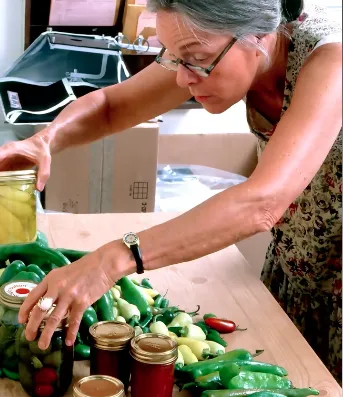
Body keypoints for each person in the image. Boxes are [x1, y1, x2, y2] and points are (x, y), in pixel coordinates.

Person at [0, 0, 341, 382]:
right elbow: (113, 105)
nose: (182, 79)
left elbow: (262, 203)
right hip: (299, 268)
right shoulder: (215, 43)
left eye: (195, 59)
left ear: (258, 34)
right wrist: (46, 140)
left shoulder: (333, 58)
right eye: (174, 58)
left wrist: (115, 257)